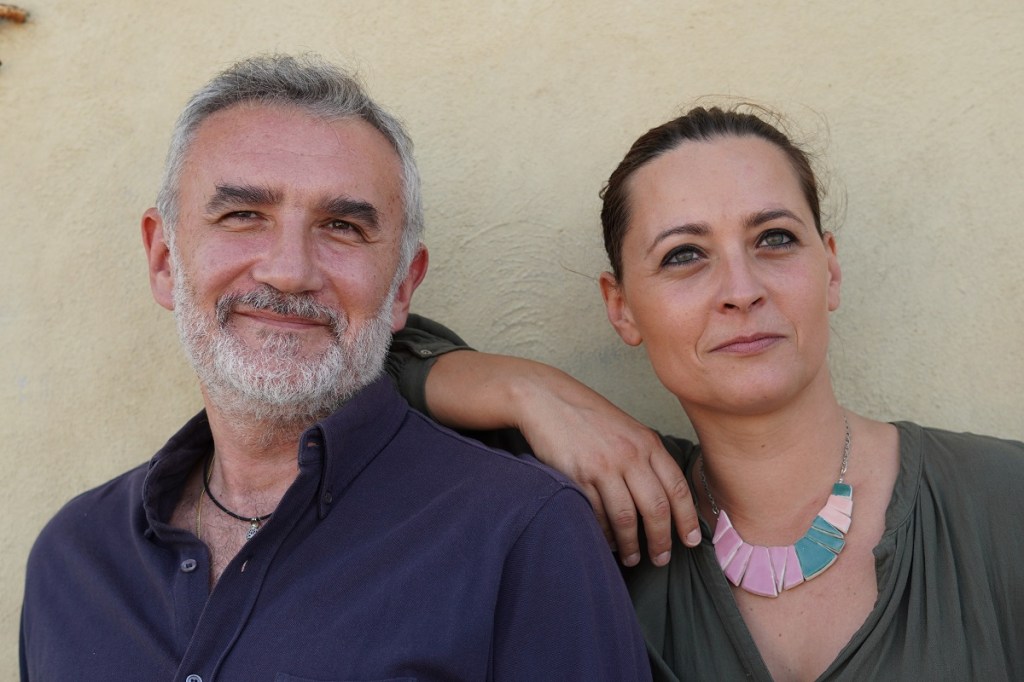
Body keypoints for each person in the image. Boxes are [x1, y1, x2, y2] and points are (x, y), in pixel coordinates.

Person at [19, 54, 653, 681]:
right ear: (164, 259)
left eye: (342, 226)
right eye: (243, 216)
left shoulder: (522, 532)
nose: (289, 270)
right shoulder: (74, 557)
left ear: (402, 286)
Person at [389, 106, 1024, 680]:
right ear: (621, 308)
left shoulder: (1003, 498)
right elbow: (359, 366)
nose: (742, 290)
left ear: (829, 268)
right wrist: (532, 390)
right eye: (684, 255)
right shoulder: (595, 515)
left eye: (774, 238)